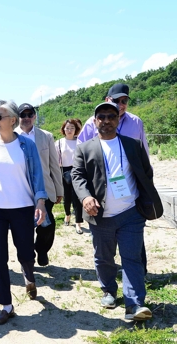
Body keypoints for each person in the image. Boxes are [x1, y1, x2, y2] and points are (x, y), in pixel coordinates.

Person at [72, 101, 162, 321]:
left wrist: (144, 201)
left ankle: (135, 304)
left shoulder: (133, 145)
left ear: (118, 119)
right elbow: (77, 175)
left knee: (132, 258)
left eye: (111, 116)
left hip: (131, 212)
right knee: (104, 257)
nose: (106, 121)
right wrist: (86, 197)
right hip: (99, 215)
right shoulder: (85, 147)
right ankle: (109, 290)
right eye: (101, 117)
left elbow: (146, 172)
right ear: (94, 122)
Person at [0, 100, 47, 325]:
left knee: (26, 251)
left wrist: (41, 201)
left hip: (23, 207)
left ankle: (29, 275)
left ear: (12, 120)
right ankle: (6, 305)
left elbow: (37, 175)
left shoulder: (27, 145)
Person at [77, 83, 149, 274]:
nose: (121, 104)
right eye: (117, 100)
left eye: (124, 101)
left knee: (134, 247)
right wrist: (86, 195)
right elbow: (81, 156)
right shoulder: (93, 122)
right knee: (103, 252)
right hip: (102, 197)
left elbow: (145, 157)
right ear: (108, 99)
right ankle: (110, 284)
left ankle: (139, 276)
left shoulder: (136, 122)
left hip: (130, 197)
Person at [15, 103, 63, 266]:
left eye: (30, 114)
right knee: (24, 228)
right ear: (17, 117)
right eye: (23, 115)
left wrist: (59, 189)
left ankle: (42, 250)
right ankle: (27, 257)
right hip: (20, 189)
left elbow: (53, 165)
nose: (27, 118)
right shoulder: (11, 136)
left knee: (47, 225)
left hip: (44, 187)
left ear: (35, 116)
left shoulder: (46, 136)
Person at [55, 119, 84, 234]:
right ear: (63, 129)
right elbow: (55, 160)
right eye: (67, 128)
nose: (69, 130)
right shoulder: (59, 143)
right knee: (66, 198)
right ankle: (67, 214)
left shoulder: (80, 142)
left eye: (72, 128)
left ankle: (78, 223)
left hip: (77, 170)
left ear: (76, 129)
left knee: (77, 198)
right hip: (65, 171)